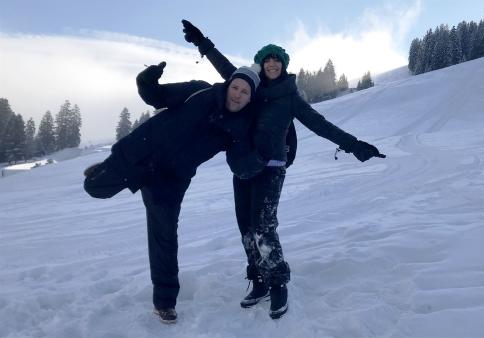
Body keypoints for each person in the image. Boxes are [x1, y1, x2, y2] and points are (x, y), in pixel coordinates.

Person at [182, 20, 386, 320]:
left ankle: (278, 283)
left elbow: (320, 125)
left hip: (272, 169)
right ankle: (259, 279)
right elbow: (226, 69)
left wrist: (354, 145)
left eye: (277, 59)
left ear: (284, 65)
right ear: (261, 64)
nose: (272, 63)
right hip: (243, 168)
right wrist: (203, 43)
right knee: (246, 230)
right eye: (268, 59)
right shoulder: (251, 87)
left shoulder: (290, 98)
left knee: (264, 227)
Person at [83, 61, 262, 324]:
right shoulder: (199, 91)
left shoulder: (236, 129)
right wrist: (147, 80)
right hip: (141, 154)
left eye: (245, 93)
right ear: (228, 85)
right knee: (94, 188)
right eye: (235, 87)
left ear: (250, 98)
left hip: (171, 179)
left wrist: (259, 161)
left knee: (164, 237)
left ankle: (164, 303)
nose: (238, 94)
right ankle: (103, 170)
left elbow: (238, 162)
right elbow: (157, 96)